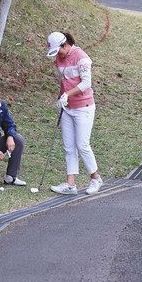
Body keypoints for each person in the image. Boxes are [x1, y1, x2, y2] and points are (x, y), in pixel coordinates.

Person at [45, 31, 102, 195]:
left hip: (83, 107)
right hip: (67, 108)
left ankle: (95, 178)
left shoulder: (81, 57)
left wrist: (67, 95)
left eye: (59, 50)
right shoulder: (59, 57)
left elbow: (86, 84)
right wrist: (60, 99)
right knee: (69, 146)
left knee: (82, 145)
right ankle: (70, 184)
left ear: (65, 44)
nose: (58, 55)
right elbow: (64, 81)